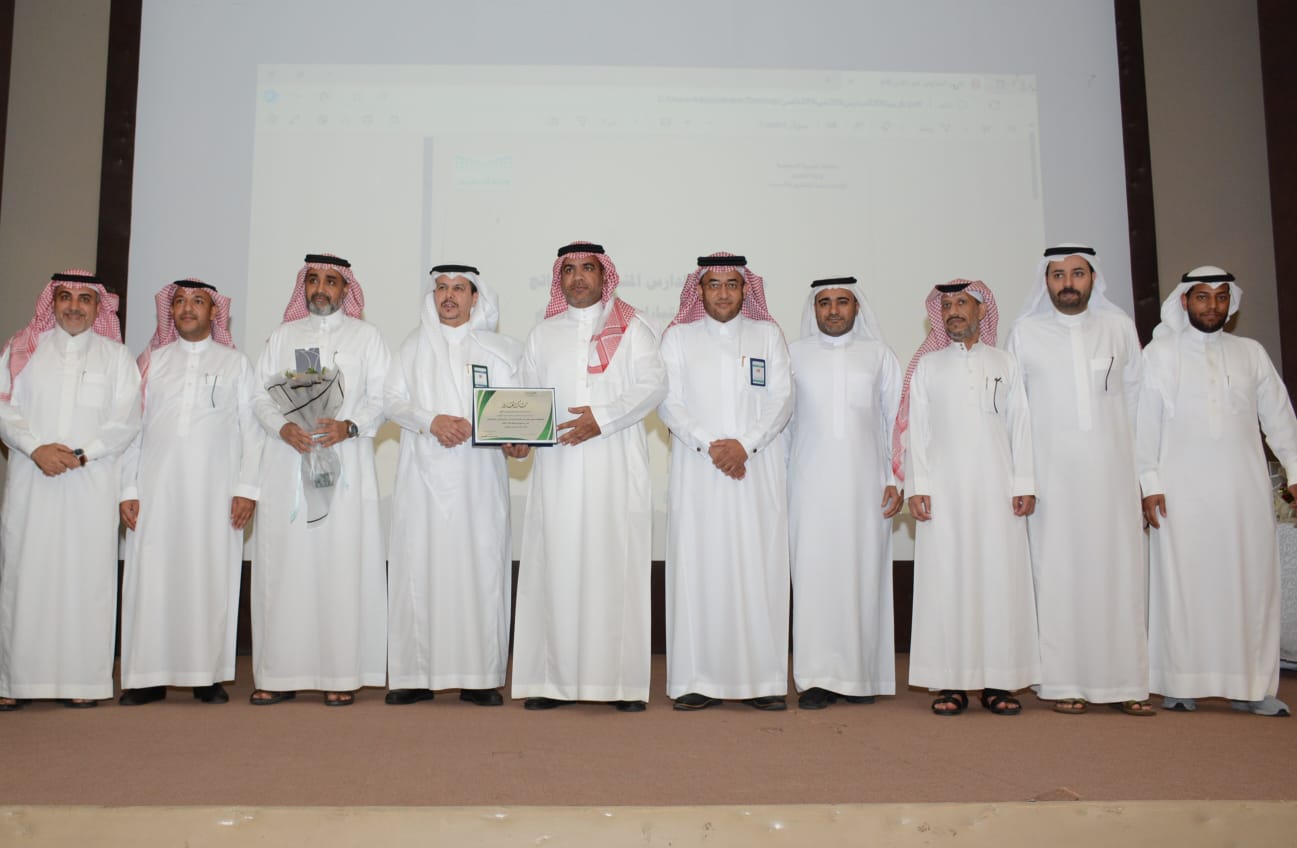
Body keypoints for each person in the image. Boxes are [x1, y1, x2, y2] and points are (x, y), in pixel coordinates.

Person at [508, 241, 666, 712]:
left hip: (615, 467)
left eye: (587, 269)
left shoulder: (633, 329)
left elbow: (654, 384)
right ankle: (551, 682)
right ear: (560, 279)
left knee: (614, 568)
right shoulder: (543, 334)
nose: (578, 278)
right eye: (570, 270)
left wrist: (604, 417)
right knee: (556, 565)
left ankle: (621, 685)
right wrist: (517, 439)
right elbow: (525, 395)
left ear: (604, 275)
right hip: (557, 469)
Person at [1138, 266, 1297, 717]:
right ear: (1184, 301)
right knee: (1184, 586)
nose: (1212, 305)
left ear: (1231, 302)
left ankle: (1252, 687)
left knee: (1250, 585)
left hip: (1243, 492)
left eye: (1221, 297)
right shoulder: (1159, 354)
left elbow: (1280, 418)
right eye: (1202, 296)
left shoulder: (1250, 353)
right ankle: (1181, 683)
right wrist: (1150, 483)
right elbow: (1144, 425)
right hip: (1180, 492)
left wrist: (1295, 470)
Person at [1005, 245, 1153, 717]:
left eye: (1077, 273)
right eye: (1058, 275)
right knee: (1057, 576)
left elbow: (1139, 404)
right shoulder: (1025, 333)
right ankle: (1062, 682)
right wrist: (1023, 479)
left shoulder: (1118, 327)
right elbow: (1015, 413)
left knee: (1119, 575)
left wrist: (1144, 477)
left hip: (1113, 477)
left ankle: (1126, 682)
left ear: (1093, 278)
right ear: (1045, 281)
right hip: (1052, 480)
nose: (1067, 283)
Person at [249, 254, 390, 707]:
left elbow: (383, 397)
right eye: (313, 280)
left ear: (346, 289)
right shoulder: (284, 336)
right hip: (289, 464)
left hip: (346, 464)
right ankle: (278, 673)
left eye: (331, 281)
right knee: (286, 566)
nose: (321, 288)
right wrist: (282, 428)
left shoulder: (366, 337)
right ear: (304, 286)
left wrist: (350, 426)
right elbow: (259, 396)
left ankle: (339, 673)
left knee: (339, 565)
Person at [118, 279, 265, 706]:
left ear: (214, 312)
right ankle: (146, 678)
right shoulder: (152, 362)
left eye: (198, 302)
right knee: (153, 580)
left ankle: (206, 675)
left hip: (215, 494)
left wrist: (246, 489)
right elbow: (131, 430)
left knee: (209, 577)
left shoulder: (235, 364)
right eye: (180, 301)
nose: (187, 308)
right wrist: (128, 488)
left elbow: (252, 433)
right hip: (155, 492)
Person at [897, 280, 1039, 716]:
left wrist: (1024, 482)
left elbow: (1021, 425)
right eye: (946, 305)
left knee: (999, 581)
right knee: (948, 582)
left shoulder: (1005, 362)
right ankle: (951, 682)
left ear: (982, 310)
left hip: (998, 491)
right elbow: (916, 431)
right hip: (944, 494)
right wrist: (918, 487)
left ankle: (999, 682)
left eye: (962, 303)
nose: (954, 311)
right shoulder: (928, 366)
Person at [658, 253, 793, 711]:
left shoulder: (767, 335)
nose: (722, 293)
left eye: (731, 284)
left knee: (760, 569)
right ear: (698, 290)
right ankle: (696, 679)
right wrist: (711, 447)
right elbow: (668, 403)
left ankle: (763, 680)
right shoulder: (678, 338)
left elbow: (782, 399)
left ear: (745, 289)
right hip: (699, 474)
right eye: (713, 284)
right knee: (699, 570)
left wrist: (745, 446)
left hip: (756, 472)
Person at [0, 270, 140, 709]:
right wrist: (35, 448)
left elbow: (126, 421)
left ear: (99, 307)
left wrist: (81, 454)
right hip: (32, 479)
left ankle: (84, 681)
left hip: (91, 482)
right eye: (65, 297)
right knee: (26, 577)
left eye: (84, 298)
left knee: (87, 578)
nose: (74, 306)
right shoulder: (22, 349)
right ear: (53, 302)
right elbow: (4, 409)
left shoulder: (117, 357)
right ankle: (16, 683)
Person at [384, 263, 522, 707]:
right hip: (422, 480)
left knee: (480, 568)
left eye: (459, 288)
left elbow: (517, 413)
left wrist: (518, 441)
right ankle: (415, 676)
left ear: (475, 297)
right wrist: (431, 421)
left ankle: (479, 677)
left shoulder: (500, 351)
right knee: (419, 567)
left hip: (479, 481)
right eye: (441, 288)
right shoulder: (412, 346)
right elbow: (391, 401)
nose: (449, 296)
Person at [786, 277, 902, 709]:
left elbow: (897, 422)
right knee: (813, 579)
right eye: (824, 303)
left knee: (862, 576)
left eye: (842, 302)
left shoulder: (879, 356)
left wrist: (897, 479)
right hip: (808, 486)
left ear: (857, 307)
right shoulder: (794, 355)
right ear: (813, 309)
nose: (833, 310)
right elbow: (783, 424)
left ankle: (859, 675)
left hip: (866, 487)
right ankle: (816, 678)